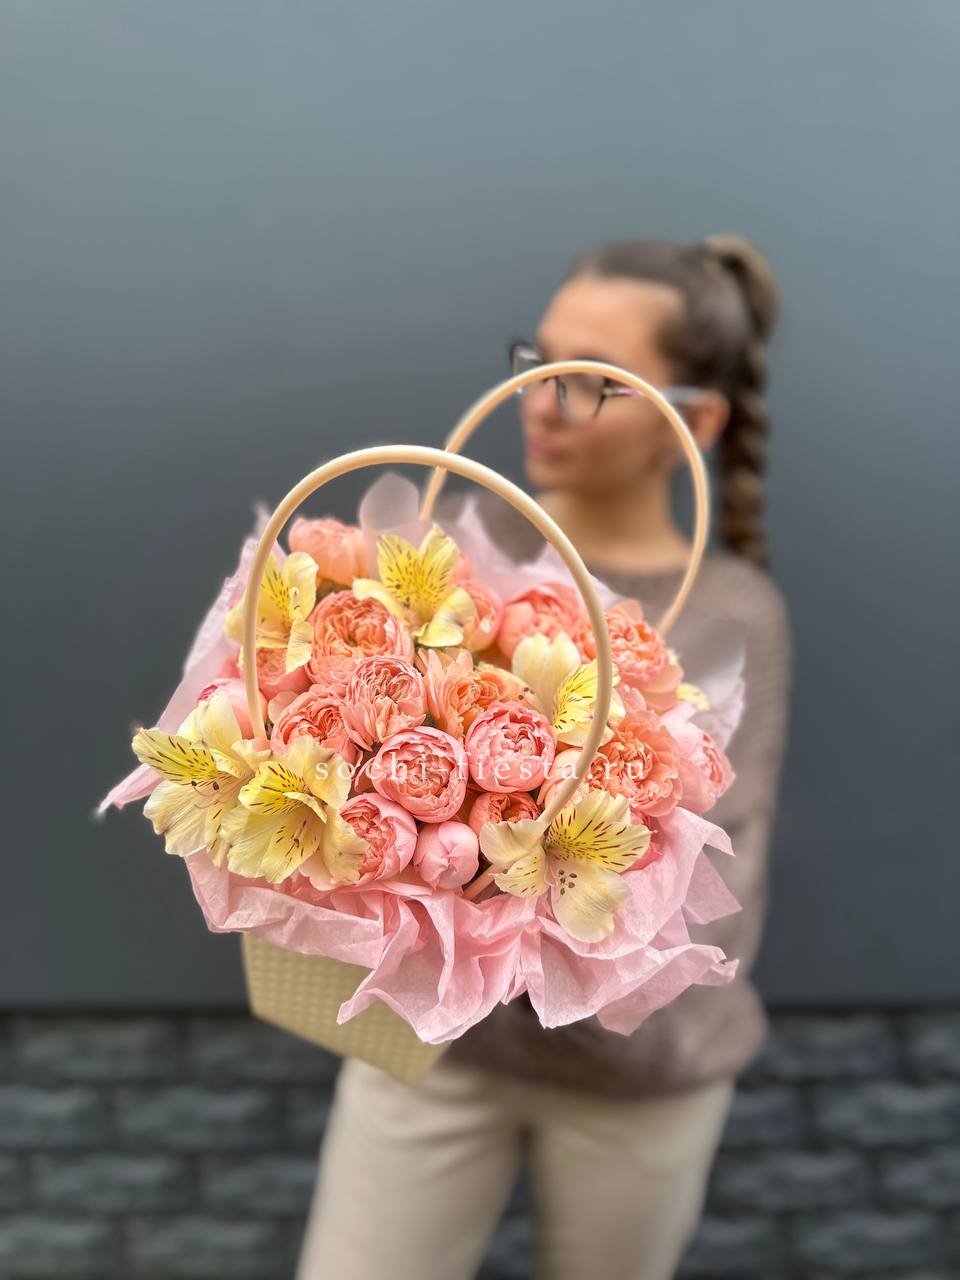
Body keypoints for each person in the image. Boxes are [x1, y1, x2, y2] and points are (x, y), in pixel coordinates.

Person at [296, 236, 793, 1280]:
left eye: (591, 381)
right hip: (427, 1044)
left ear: (696, 422)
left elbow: (711, 882)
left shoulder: (731, 612)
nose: (540, 400)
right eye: (538, 360)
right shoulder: (451, 557)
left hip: (637, 1072)